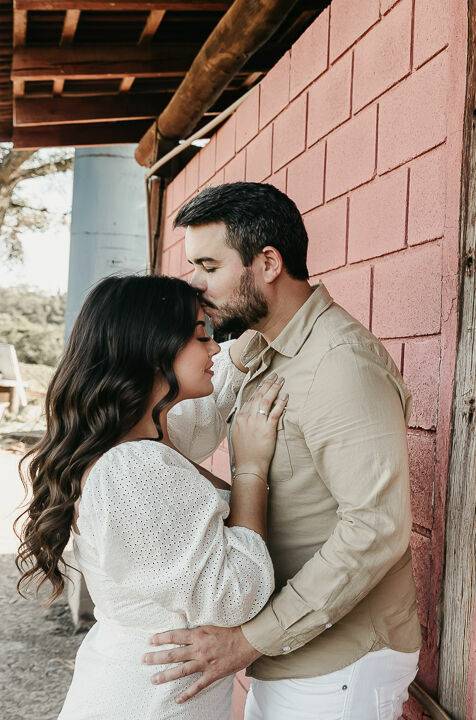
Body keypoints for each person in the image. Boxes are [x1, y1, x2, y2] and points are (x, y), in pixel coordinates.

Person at [143, 182, 421, 720]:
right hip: (294, 656)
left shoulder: (339, 365)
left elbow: (377, 528)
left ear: (267, 262)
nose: (196, 286)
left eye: (209, 265)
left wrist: (249, 639)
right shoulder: (264, 349)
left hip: (340, 666)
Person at [16, 274, 287, 719]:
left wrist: (247, 327)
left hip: (135, 687)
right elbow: (238, 592)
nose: (215, 348)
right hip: (148, 701)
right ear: (154, 347)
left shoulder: (135, 442)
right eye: (203, 337)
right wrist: (252, 471)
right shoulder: (132, 470)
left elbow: (204, 414)